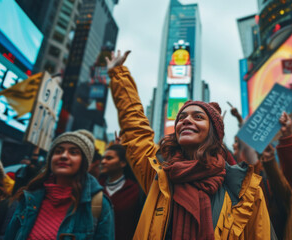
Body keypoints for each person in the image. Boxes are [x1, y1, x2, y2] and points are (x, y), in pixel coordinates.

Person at [107, 50, 270, 239]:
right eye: (182, 117)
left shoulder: (246, 190)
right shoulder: (159, 178)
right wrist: (118, 74)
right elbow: (136, 130)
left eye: (198, 117)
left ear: (214, 133)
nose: (186, 120)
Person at [5, 130, 114, 240]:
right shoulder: (30, 198)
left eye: (73, 152)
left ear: (84, 162)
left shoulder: (99, 205)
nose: (64, 156)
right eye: (58, 151)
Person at [99, 144, 144, 240]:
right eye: (103, 158)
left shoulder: (135, 190)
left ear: (123, 163)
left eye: (109, 158)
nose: (103, 161)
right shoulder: (96, 188)